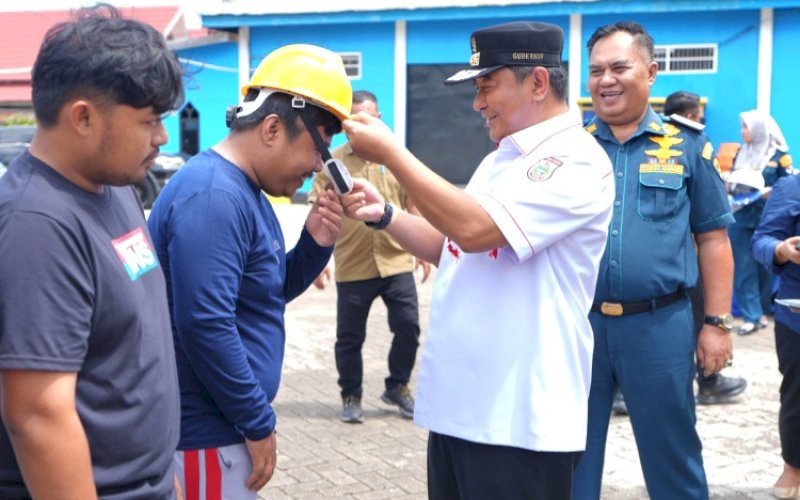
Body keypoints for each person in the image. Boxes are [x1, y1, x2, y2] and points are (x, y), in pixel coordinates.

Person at [341, 21, 614, 499]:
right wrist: (384, 214)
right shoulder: (501, 159)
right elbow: (453, 247)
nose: (477, 102)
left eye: (486, 86)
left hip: (519, 421)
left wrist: (392, 154)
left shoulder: (576, 160)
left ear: (538, 82)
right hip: (463, 408)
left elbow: (473, 230)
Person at [147, 44, 347, 498]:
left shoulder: (245, 190)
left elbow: (260, 297)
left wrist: (314, 246)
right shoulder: (215, 196)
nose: (320, 166)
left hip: (224, 426)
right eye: (318, 148)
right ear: (273, 128)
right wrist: (258, 422)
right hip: (206, 433)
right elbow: (205, 324)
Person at [0, 5, 184, 498]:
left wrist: (164, 468)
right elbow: (38, 414)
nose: (162, 137)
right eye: (149, 121)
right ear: (82, 117)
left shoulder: (115, 186)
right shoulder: (37, 225)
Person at [573, 21, 735, 499]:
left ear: (650, 72)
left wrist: (717, 324)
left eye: (619, 67)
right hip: (577, 326)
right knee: (569, 455)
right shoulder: (570, 148)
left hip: (660, 325)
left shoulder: (688, 146)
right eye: (596, 70)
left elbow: (714, 240)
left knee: (673, 456)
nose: (606, 79)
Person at [611, 90, 747, 415]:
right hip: (678, 264)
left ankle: (707, 378)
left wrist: (720, 325)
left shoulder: (693, 146)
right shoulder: (597, 144)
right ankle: (706, 380)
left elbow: (714, 232)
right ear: (689, 114)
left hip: (685, 264)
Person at [308, 90, 431, 423]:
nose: (359, 129)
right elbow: (318, 212)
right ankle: (351, 394)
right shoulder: (332, 163)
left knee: (408, 327)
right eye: (353, 123)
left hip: (396, 260)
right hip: (354, 265)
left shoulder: (395, 158)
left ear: (378, 121)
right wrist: (316, 263)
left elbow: (412, 202)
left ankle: (398, 386)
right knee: (350, 338)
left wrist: (423, 252)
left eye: (368, 120)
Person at [752, 174, 800, 499]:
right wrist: (782, 250)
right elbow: (762, 240)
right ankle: (794, 470)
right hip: (797, 316)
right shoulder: (792, 187)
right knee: (797, 396)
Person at [729, 109, 793, 335]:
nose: (742, 132)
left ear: (759, 129)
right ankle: (751, 316)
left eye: (745, 127)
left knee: (766, 266)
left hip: (770, 218)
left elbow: (789, 185)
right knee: (744, 266)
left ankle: (763, 310)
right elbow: (732, 178)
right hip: (741, 215)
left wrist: (772, 193)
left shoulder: (779, 155)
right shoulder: (741, 152)